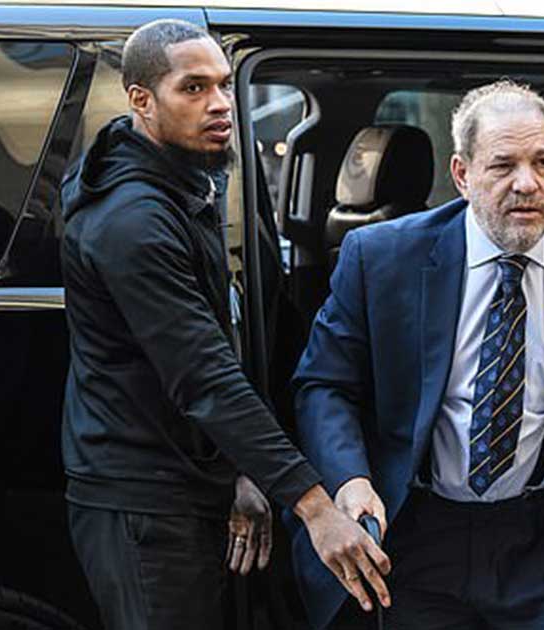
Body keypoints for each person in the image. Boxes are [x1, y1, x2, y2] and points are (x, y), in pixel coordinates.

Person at [291, 79, 544, 629]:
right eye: (503, 165)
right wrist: (352, 481)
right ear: (462, 174)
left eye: (542, 162)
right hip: (417, 532)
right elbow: (324, 385)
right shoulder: (383, 256)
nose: (527, 183)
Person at [59, 19, 390, 630]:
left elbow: (216, 340)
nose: (220, 104)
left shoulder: (177, 176)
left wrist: (237, 469)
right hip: (146, 500)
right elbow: (204, 376)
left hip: (182, 477)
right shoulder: (133, 221)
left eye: (223, 84)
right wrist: (316, 509)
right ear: (141, 100)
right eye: (193, 88)